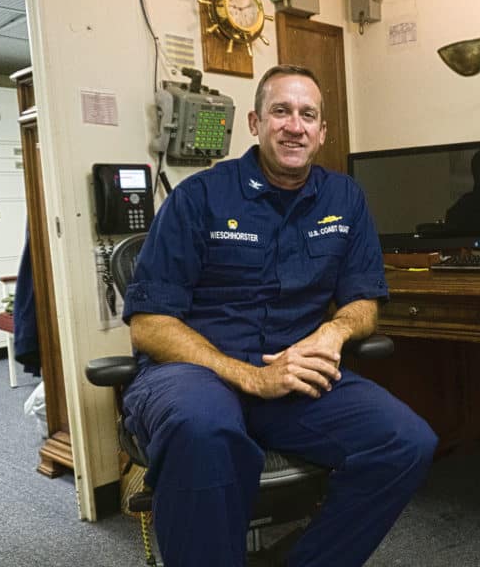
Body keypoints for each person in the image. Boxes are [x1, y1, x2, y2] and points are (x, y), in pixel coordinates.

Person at [120, 65, 438, 567]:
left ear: (322, 131)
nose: (295, 125)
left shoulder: (344, 199)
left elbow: (364, 302)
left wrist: (336, 331)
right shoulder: (197, 198)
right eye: (281, 111)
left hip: (293, 371)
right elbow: (149, 323)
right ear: (255, 122)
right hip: (195, 373)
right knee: (201, 430)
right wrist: (250, 376)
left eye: (308, 114)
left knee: (407, 443)